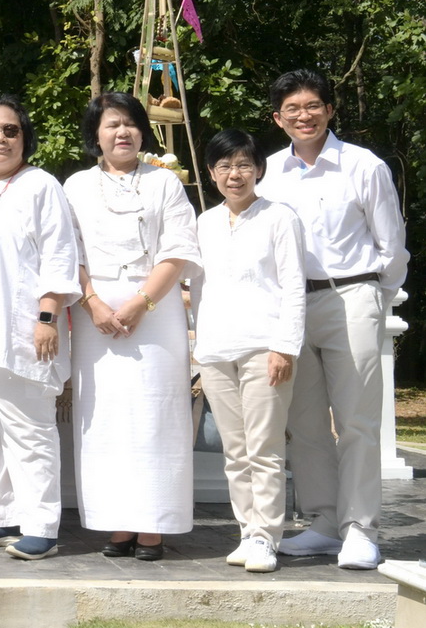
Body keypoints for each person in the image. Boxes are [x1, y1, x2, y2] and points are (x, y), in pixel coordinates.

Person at [259, 69, 409, 570]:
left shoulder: (363, 166)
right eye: (292, 109)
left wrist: (372, 299)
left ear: (329, 109)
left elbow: (392, 248)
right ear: (277, 118)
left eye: (313, 105)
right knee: (303, 426)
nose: (304, 116)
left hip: (351, 298)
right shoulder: (269, 171)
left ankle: (361, 528)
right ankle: (323, 523)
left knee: (357, 422)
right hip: (291, 307)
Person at [63, 92, 200, 561]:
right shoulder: (76, 186)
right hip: (94, 318)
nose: (121, 132)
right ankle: (115, 524)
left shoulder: (165, 185)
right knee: (104, 420)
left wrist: (142, 302)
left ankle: (154, 526)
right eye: (111, 125)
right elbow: (69, 252)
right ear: (96, 135)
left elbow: (178, 250)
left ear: (143, 131)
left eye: (130, 124)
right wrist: (93, 302)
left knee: (155, 419)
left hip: (156, 315)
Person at [0, 97, 80, 562]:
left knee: (30, 429)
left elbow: (61, 254)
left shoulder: (42, 185)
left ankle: (41, 524)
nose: (0, 139)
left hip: (22, 329)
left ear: (25, 137)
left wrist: (47, 316)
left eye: (10, 131)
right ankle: (1, 515)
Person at [192, 128, 305, 575]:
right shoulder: (206, 222)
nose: (234, 174)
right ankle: (247, 531)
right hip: (217, 349)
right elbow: (199, 289)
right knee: (234, 451)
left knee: (265, 447)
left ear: (258, 169)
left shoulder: (280, 217)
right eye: (224, 166)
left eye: (243, 165)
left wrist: (284, 346)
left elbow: (294, 286)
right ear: (211, 173)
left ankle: (266, 537)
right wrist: (199, 346)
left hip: (265, 348)